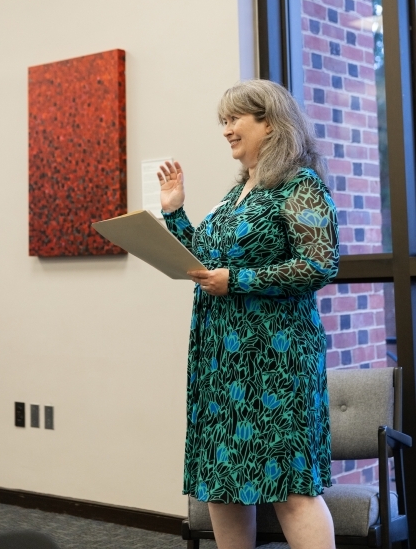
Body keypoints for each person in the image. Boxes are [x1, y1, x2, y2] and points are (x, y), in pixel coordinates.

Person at [157, 79, 339, 549]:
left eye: (235, 119)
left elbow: (319, 263)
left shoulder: (299, 184)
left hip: (277, 361)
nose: (226, 130)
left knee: (292, 487)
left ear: (271, 123)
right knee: (225, 484)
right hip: (221, 362)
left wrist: (237, 281)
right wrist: (175, 214)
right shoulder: (239, 191)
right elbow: (205, 261)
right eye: (223, 121)